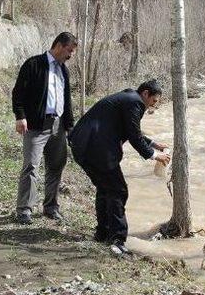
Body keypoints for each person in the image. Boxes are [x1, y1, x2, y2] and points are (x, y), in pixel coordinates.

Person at [69, 79, 171, 255]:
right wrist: (155, 155)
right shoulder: (136, 103)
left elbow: (130, 131)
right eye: (154, 101)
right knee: (118, 190)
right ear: (145, 94)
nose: (153, 106)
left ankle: (102, 233)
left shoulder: (127, 98)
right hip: (96, 148)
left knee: (105, 189)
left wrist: (153, 144)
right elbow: (133, 136)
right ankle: (118, 240)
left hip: (81, 145)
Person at [12, 32, 78, 224]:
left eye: (72, 51)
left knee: (56, 166)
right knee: (31, 166)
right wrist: (20, 116)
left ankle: (51, 207)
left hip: (58, 126)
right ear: (58, 45)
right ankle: (24, 210)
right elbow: (18, 93)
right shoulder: (33, 64)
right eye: (69, 50)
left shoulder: (64, 70)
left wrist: (70, 126)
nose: (71, 55)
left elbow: (67, 101)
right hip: (36, 125)